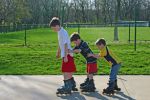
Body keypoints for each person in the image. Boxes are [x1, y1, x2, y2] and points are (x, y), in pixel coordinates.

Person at [49, 17, 77, 94]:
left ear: (57, 25)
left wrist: (65, 56)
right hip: (66, 54)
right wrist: (58, 52)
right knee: (68, 70)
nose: (53, 30)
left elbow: (65, 44)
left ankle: (67, 87)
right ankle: (71, 84)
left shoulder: (63, 32)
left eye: (53, 28)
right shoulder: (59, 32)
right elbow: (60, 43)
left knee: (65, 71)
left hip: (67, 54)